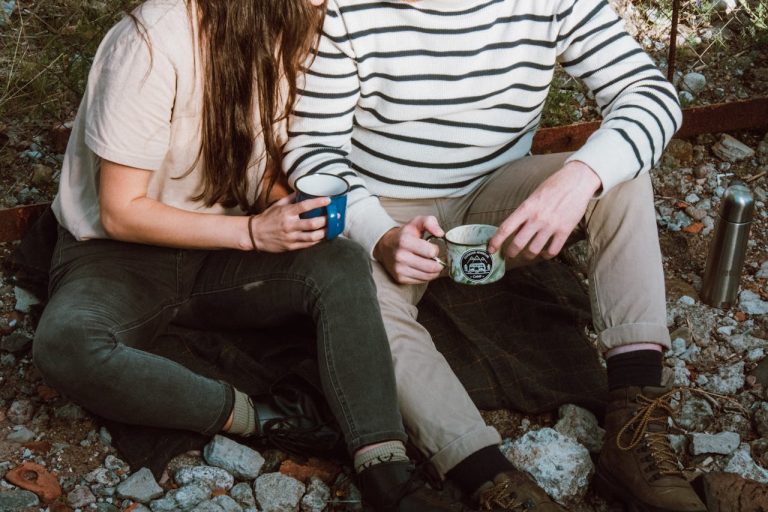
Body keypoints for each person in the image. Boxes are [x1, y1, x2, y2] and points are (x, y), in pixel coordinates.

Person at [31, 1, 468, 510]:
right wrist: (255, 234)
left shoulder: (281, 32)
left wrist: (315, 218)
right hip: (120, 256)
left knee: (341, 262)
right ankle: (260, 415)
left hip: (222, 248)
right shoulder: (150, 41)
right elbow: (120, 212)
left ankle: (387, 472)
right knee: (67, 343)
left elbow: (257, 167)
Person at [283, 0, 707, 511]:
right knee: (352, 299)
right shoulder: (343, 11)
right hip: (389, 216)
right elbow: (311, 150)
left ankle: (635, 429)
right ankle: (491, 479)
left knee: (623, 176)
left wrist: (581, 176)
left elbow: (652, 93)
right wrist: (378, 235)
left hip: (497, 198)